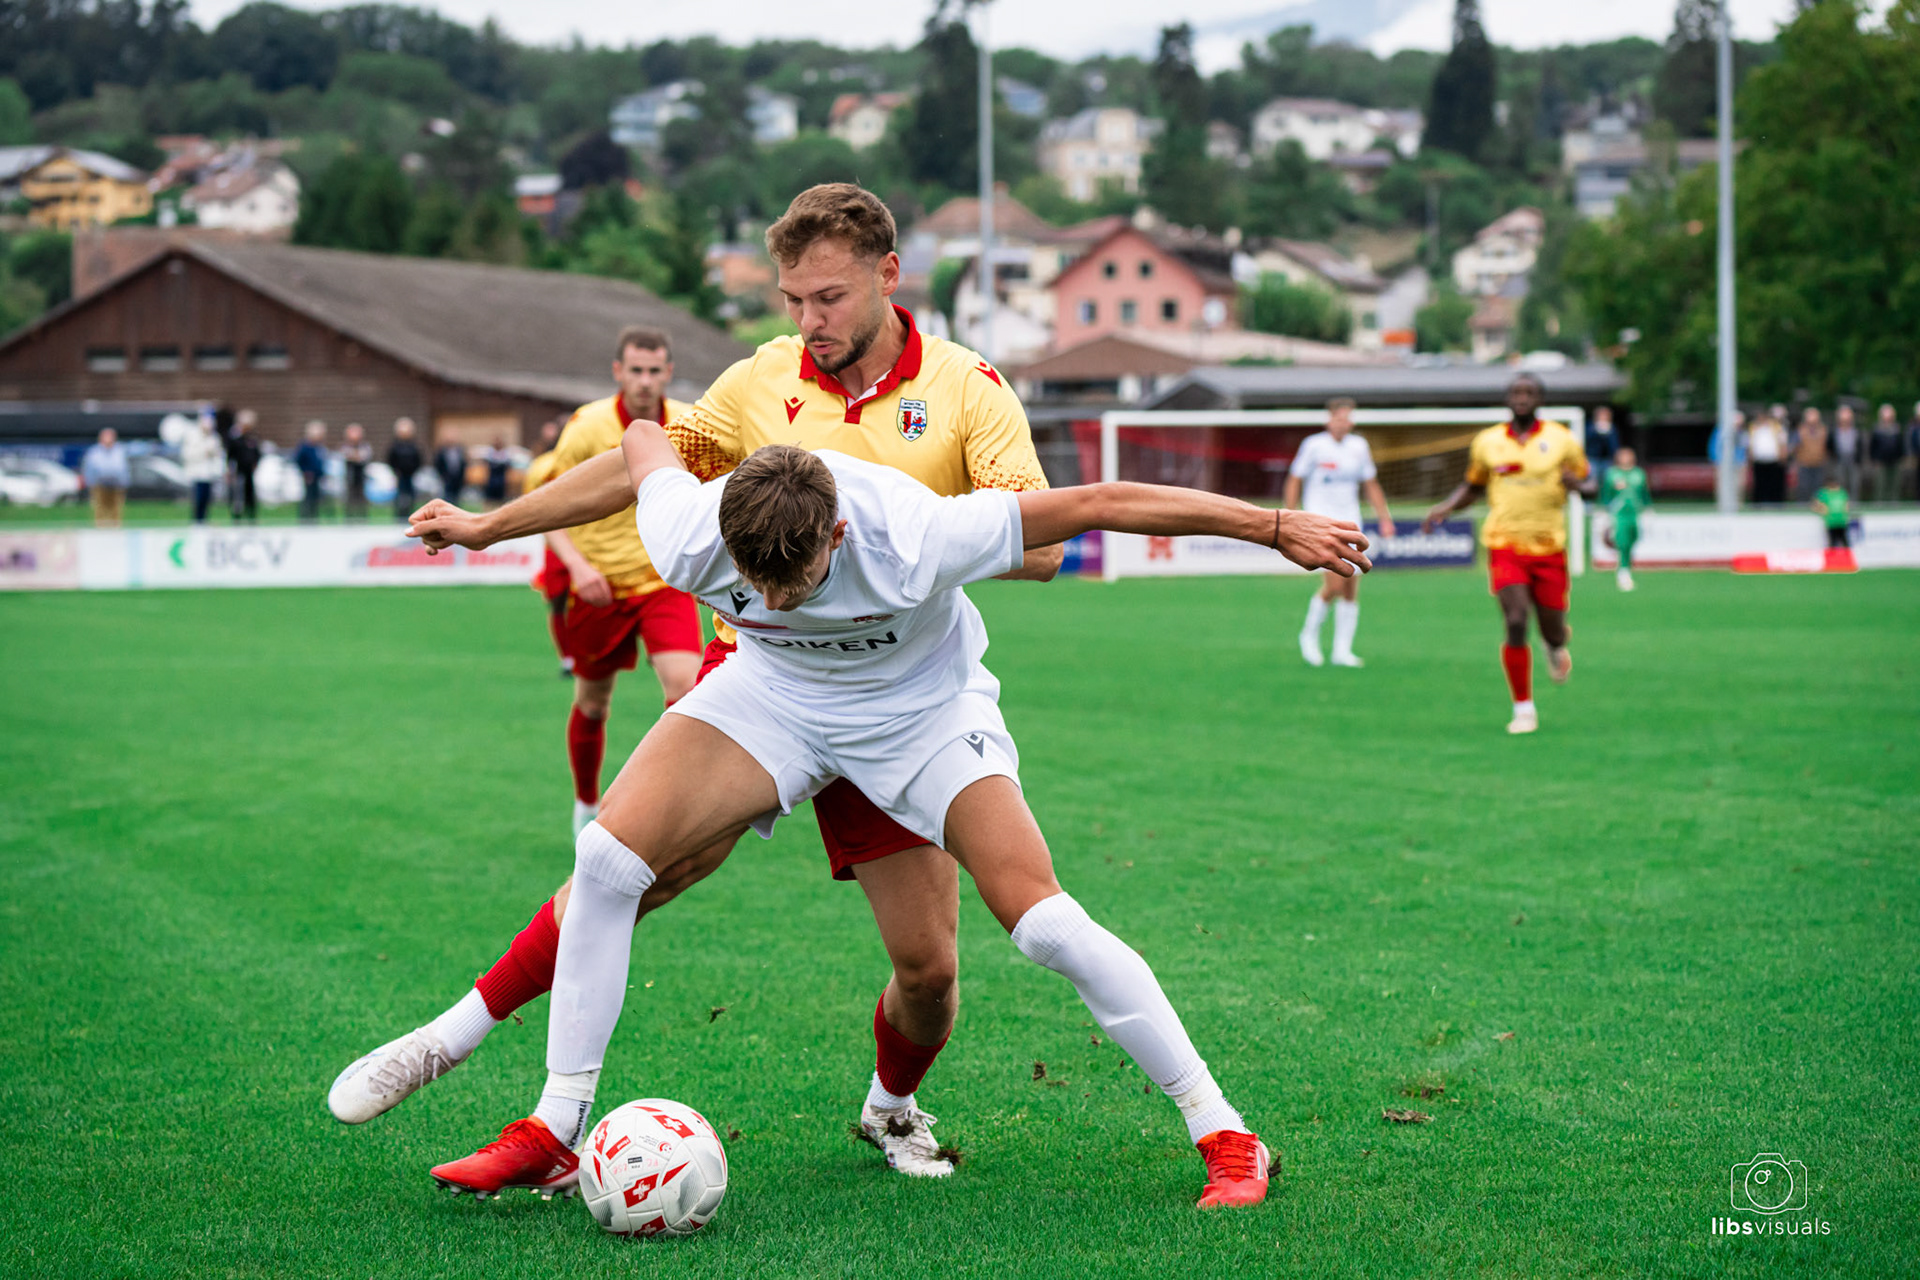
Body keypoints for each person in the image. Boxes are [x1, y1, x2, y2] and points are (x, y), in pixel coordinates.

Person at [395, 427, 1372, 1208]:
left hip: (920, 715)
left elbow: (1100, 503)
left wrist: (1273, 525)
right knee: (609, 860)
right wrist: (488, 528)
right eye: (751, 581)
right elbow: (645, 440)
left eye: (791, 583)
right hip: (773, 697)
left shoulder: (917, 532)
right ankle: (557, 1127)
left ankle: (1224, 1131)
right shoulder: (688, 526)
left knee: (1041, 923)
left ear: (838, 537)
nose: (768, 597)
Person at [325, 183, 1065, 1188]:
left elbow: (1040, 544)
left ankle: (891, 1109)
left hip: (898, 699)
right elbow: (646, 469)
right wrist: (493, 526)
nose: (806, 319)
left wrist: (908, 546)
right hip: (765, 678)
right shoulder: (759, 380)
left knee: (928, 970)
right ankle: (473, 1054)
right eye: (791, 298)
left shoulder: (968, 386)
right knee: (633, 870)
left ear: (889, 277)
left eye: (828, 297)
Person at [537, 327, 704, 835]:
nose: (645, 381)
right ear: (618, 372)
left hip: (663, 581)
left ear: (668, 373)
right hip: (599, 586)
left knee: (687, 689)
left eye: (654, 371)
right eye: (636, 370)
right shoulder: (587, 427)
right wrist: (578, 566)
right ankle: (585, 805)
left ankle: (668, 808)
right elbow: (550, 506)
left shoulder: (690, 424)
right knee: (593, 702)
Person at [1420, 373, 1593, 736]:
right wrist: (1446, 508)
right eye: (1516, 392)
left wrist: (1578, 485)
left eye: (1529, 392)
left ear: (1540, 399)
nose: (1522, 398)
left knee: (1553, 629)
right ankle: (1523, 708)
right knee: (1515, 620)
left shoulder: (1562, 439)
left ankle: (1555, 646)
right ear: (1507, 399)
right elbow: (1473, 486)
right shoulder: (1488, 442)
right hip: (1504, 545)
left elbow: (1589, 483)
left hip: (1549, 547)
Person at [1283, 397, 1394, 667]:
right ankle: (1308, 635)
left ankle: (1342, 650)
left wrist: (1384, 517)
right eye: (1339, 418)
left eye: (1348, 418)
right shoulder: (1314, 445)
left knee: (1351, 586)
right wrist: (1290, 514)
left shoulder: (1359, 446)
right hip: (1321, 522)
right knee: (1335, 583)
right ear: (1329, 419)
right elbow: (1295, 479)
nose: (1344, 423)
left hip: (1350, 522)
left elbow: (1370, 484)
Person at [521, 421, 574, 677]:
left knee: (564, 605)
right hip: (563, 545)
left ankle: (574, 657)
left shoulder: (582, 460)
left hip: (580, 545)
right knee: (562, 604)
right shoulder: (542, 466)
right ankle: (571, 658)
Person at [1601, 445, 1651, 592]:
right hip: (1619, 514)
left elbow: (1644, 493)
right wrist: (1603, 511)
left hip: (1635, 513)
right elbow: (1606, 494)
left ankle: (1627, 566)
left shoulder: (1639, 474)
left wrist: (1648, 508)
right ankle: (1623, 572)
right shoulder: (1612, 474)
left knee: (1634, 539)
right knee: (1622, 542)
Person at [182, 409, 226, 524]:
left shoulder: (214, 437)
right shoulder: (193, 435)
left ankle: (204, 520)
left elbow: (219, 454)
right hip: (196, 474)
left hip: (209, 473)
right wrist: (204, 451)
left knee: (207, 500)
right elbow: (188, 454)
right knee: (198, 499)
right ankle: (197, 521)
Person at [80, 427, 129, 527]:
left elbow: (124, 468)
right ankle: (100, 529)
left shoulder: (120, 450)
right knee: (100, 508)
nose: (108, 439)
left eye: (110, 436)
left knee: (116, 509)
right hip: (99, 484)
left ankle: (115, 529)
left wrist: (124, 482)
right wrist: (90, 483)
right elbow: (89, 468)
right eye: (106, 436)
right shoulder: (94, 452)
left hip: (116, 484)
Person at [1748, 406, 1789, 504]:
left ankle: (1775, 502)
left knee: (1774, 483)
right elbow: (1750, 443)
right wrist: (1750, 456)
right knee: (1760, 483)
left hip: (1773, 460)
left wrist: (1783, 455)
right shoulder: (1754, 428)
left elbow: (1782, 442)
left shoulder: (1777, 427)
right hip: (1759, 460)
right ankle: (1759, 503)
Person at [226, 410, 261, 521]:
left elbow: (257, 453)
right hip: (239, 470)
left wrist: (255, 463)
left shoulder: (252, 437)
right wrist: (229, 470)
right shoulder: (235, 437)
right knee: (239, 494)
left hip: (249, 471)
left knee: (250, 493)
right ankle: (237, 516)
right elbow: (230, 454)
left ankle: (251, 515)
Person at [1791, 407, 1829, 503]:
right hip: (1804, 464)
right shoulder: (1800, 430)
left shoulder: (1823, 430)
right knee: (1804, 488)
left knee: (1818, 489)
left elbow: (1827, 446)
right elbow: (1794, 447)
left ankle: (1818, 506)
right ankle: (1802, 506)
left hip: (1819, 464)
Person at [1868, 404, 1904, 503]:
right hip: (1880, 461)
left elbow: (1900, 445)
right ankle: (1879, 501)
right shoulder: (1877, 429)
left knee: (1894, 483)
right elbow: (1873, 446)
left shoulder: (1897, 429)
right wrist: (1874, 459)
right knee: (1880, 483)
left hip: (1895, 460)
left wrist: (1900, 457)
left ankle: (1894, 501)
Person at [388, 418, 423, 520]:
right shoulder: (394, 446)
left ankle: (411, 515)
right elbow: (390, 460)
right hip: (399, 476)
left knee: (411, 497)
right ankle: (399, 516)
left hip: (411, 476)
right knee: (399, 497)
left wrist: (413, 471)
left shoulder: (414, 446)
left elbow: (419, 460)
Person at [295, 420, 330, 522]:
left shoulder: (318, 447)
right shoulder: (305, 446)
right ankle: (305, 518)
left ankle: (314, 517)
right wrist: (306, 471)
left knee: (316, 498)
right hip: (309, 477)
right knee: (308, 497)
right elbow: (298, 460)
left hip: (317, 476)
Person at [341, 423, 373, 521]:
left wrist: (354, 456)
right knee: (349, 498)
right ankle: (349, 518)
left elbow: (364, 456)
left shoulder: (365, 446)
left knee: (362, 497)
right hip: (350, 476)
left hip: (361, 476)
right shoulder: (345, 446)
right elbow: (346, 455)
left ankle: (362, 517)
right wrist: (356, 456)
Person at [1831, 405, 1861, 499]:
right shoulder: (1834, 432)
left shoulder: (1856, 431)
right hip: (1839, 459)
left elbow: (1860, 446)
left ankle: (1854, 501)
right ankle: (1841, 502)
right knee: (1840, 482)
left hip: (1853, 459)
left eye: (1847, 418)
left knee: (1854, 482)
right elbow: (1830, 447)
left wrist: (1859, 459)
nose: (1845, 420)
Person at [1813, 477, 1852, 549]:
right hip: (1831, 522)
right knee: (1833, 543)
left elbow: (1846, 505)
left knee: (1844, 543)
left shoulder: (1841, 492)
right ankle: (1833, 556)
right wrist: (1822, 510)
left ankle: (1845, 556)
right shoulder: (1824, 493)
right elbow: (1816, 505)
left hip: (1841, 521)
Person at [481, 438, 513, 509]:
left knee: (500, 504)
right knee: (489, 503)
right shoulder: (489, 454)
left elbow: (508, 469)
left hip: (501, 483)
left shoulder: (505, 455)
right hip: (491, 482)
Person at [435, 438, 467, 507]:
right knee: (447, 497)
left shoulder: (460, 451)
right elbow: (438, 464)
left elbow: (463, 464)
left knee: (456, 498)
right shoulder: (442, 451)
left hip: (458, 479)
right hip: (447, 479)